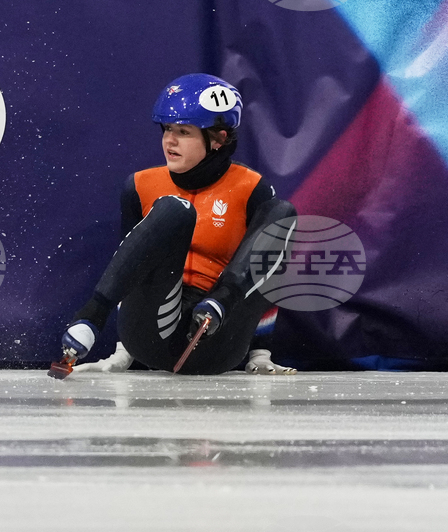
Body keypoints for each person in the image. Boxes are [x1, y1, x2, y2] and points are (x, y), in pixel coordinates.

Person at [59, 73, 297, 376]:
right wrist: (121, 354)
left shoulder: (252, 188)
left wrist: (260, 355)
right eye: (167, 129)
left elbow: (266, 272)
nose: (169, 140)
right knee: (174, 209)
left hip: (217, 338)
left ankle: (225, 312)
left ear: (218, 139)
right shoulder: (139, 185)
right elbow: (129, 266)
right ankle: (91, 318)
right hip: (152, 333)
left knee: (281, 213)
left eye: (183, 132)